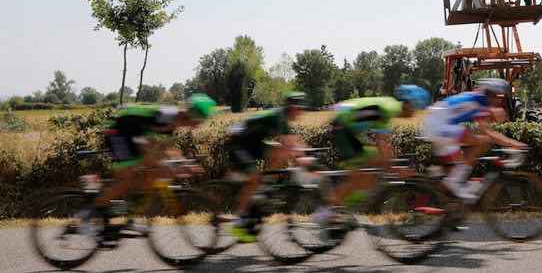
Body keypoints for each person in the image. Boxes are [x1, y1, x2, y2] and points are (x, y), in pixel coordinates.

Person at [79, 94, 217, 239]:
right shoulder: (166, 116)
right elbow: (146, 147)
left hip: (132, 135)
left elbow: (168, 148)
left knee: (151, 172)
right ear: (192, 115)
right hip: (119, 132)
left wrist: (185, 165)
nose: (198, 125)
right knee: (128, 178)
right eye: (199, 121)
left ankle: (129, 214)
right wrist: (164, 166)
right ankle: (86, 215)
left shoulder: (174, 122)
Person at [312, 85, 431, 225]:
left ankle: (349, 211)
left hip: (349, 127)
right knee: (356, 177)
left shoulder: (389, 107)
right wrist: (395, 167)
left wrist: (390, 163)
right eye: (415, 109)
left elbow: (382, 145)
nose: (414, 114)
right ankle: (324, 212)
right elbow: (381, 143)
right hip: (342, 127)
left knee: (373, 166)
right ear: (406, 104)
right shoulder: (386, 110)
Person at [225, 92, 311, 242]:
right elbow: (290, 142)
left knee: (282, 152)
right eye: (300, 109)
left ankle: (266, 185)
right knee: (254, 180)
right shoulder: (278, 116)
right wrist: (305, 159)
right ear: (291, 108)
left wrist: (309, 154)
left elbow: (294, 142)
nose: (302, 113)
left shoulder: (283, 118)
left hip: (253, 143)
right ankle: (240, 221)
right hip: (239, 144)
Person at [423, 78, 527, 199]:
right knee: (481, 143)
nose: (499, 101)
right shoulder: (481, 100)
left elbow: (482, 129)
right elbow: (487, 133)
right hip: (438, 126)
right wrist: (513, 143)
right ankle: (453, 184)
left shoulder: (476, 98)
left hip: (433, 125)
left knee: (455, 165)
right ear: (494, 95)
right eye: (499, 97)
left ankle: (448, 199)